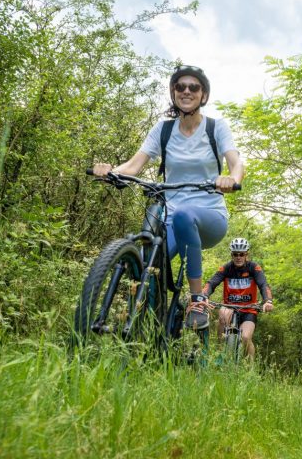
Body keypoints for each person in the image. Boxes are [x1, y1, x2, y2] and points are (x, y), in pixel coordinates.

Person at [92, 65, 244, 329]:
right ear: (173, 93)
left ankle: (197, 299)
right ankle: (148, 324)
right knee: (146, 260)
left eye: (193, 87)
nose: (186, 91)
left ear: (203, 95)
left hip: (209, 216)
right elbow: (133, 165)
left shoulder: (216, 127)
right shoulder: (163, 130)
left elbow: (236, 162)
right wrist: (110, 171)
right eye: (180, 87)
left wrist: (232, 179)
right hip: (170, 217)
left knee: (185, 214)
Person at [202, 237, 274, 360]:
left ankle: (250, 367)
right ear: (232, 254)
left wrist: (268, 300)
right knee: (222, 315)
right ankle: (220, 355)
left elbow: (263, 284)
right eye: (236, 254)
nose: (238, 257)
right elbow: (212, 283)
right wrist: (204, 296)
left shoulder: (254, 268)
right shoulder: (226, 268)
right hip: (229, 307)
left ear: (247, 254)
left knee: (245, 337)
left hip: (249, 310)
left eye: (242, 254)